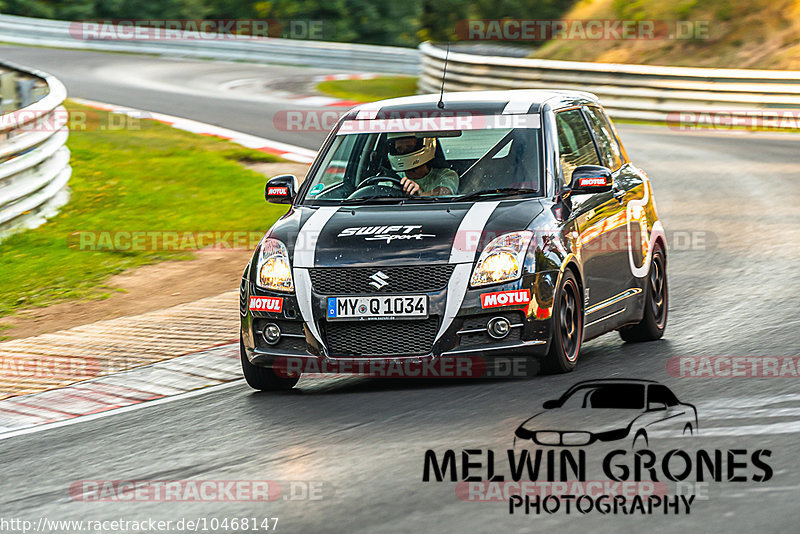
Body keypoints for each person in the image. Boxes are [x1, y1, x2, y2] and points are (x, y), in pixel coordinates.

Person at [387, 133, 459, 196]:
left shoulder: (447, 175)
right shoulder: (392, 179)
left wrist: (418, 195)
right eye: (399, 149)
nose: (403, 152)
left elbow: (444, 192)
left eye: (409, 147)